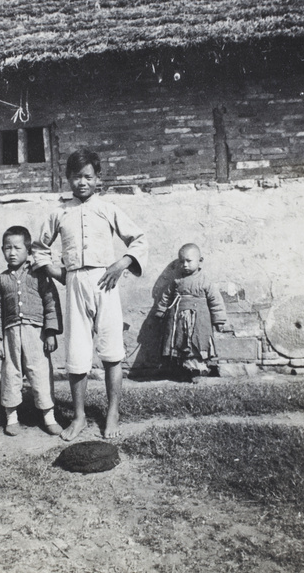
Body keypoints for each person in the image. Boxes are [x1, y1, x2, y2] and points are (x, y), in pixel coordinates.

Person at [32, 148, 148, 441]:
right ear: (67, 179)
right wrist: (60, 275)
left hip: (104, 282)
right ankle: (80, 416)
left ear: (98, 179)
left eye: (88, 177)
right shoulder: (60, 212)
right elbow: (39, 249)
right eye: (75, 177)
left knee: (111, 351)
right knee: (77, 352)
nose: (81, 182)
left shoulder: (107, 209)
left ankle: (112, 413)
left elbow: (138, 239)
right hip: (75, 284)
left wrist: (121, 264)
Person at [0, 226, 63, 436]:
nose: (12, 253)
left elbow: (51, 303)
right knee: (11, 373)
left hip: (35, 333)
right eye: (7, 248)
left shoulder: (40, 275)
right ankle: (11, 417)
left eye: (17, 248)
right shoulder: (1, 281)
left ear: (28, 250)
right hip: (10, 334)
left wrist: (50, 332)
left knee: (40, 372)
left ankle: (49, 416)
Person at [155, 243, 226, 382]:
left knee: (196, 344)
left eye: (189, 261)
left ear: (200, 261)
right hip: (178, 320)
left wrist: (219, 320)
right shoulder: (176, 281)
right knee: (179, 343)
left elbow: (215, 301)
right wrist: (161, 311)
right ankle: (182, 370)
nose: (185, 265)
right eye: (181, 262)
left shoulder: (205, 282)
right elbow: (166, 297)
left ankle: (197, 371)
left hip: (199, 321)